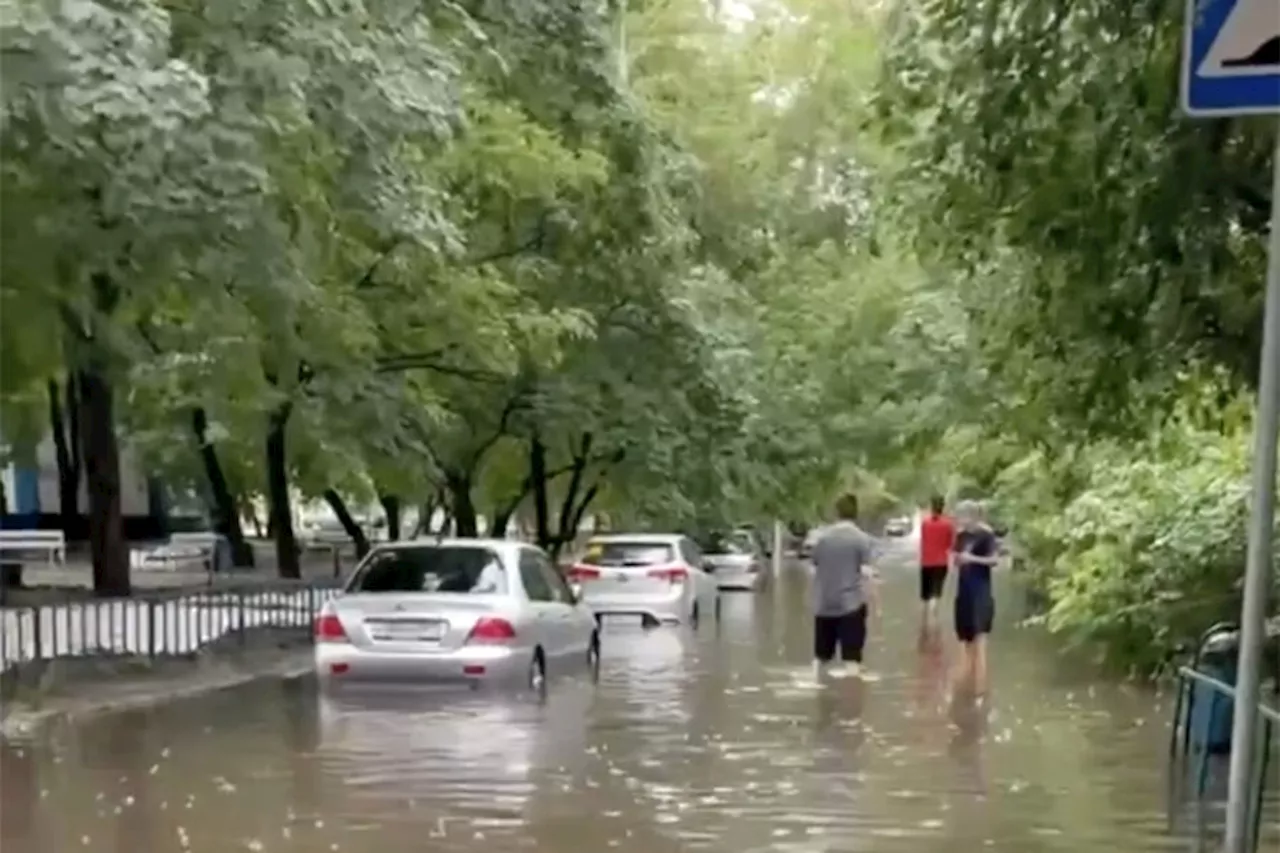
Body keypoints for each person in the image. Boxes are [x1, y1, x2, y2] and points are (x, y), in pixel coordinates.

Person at [809, 493, 879, 680]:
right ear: (856, 513)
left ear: (836, 512)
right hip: (850, 605)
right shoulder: (862, 540)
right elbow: (866, 573)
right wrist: (874, 601)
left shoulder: (822, 538)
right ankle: (851, 702)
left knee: (821, 656)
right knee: (851, 659)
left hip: (824, 604)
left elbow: (814, 566)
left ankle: (818, 693)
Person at [951, 500, 999, 694]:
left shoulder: (986, 535)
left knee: (980, 643)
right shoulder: (961, 536)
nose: (958, 520)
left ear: (971, 516)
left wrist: (972, 559)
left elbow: (994, 560)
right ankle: (966, 686)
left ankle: (980, 689)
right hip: (964, 592)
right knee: (965, 641)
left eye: (960, 516)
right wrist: (958, 560)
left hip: (981, 593)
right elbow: (957, 559)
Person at [918, 494, 955, 626]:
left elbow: (923, 541)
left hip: (926, 562)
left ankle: (923, 623)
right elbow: (951, 545)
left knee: (924, 594)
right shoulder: (948, 524)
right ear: (943, 507)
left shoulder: (925, 523)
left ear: (932, 507)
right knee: (936, 592)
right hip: (941, 562)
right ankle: (933, 621)